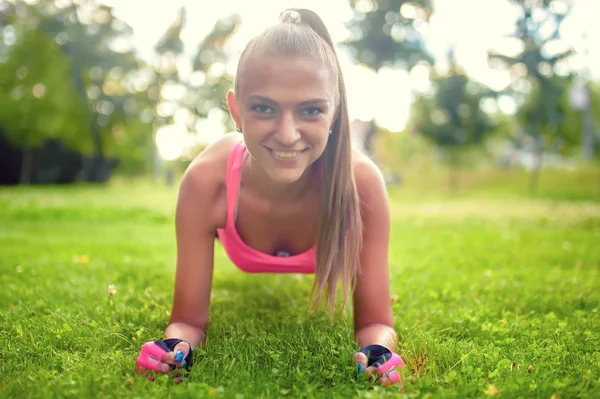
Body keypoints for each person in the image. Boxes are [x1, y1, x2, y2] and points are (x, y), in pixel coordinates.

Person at [135, 8, 405, 387]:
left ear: (334, 113)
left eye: (311, 110)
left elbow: (376, 322)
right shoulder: (206, 183)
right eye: (264, 108)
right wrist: (175, 347)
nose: (287, 134)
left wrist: (379, 352)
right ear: (235, 110)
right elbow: (189, 320)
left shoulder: (362, 186)